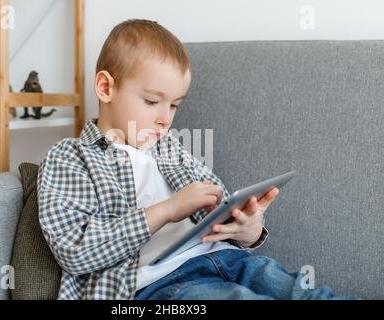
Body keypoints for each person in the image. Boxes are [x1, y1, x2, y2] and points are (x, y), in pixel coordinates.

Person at [37, 19, 352, 300]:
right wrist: (168, 209)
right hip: (161, 282)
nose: (165, 119)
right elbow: (74, 250)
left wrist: (247, 230)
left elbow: (221, 208)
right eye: (151, 101)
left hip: (230, 258)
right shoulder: (71, 156)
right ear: (106, 87)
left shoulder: (171, 148)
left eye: (174, 105)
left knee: (304, 292)